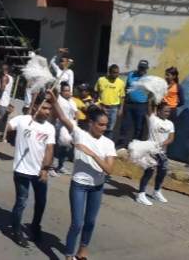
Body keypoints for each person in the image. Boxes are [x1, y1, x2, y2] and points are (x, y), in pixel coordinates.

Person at [50, 92, 116, 260]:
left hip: (97, 187)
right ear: (91, 123)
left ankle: (82, 253)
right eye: (100, 125)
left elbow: (109, 170)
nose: (104, 128)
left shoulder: (109, 144)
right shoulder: (80, 134)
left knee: (90, 223)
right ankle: (69, 256)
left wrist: (92, 154)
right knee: (77, 223)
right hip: (79, 184)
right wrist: (53, 99)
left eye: (105, 125)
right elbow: (64, 118)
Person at [2, 95, 56, 247]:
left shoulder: (49, 128)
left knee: (41, 202)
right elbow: (3, 128)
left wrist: (45, 169)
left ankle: (35, 225)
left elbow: (50, 149)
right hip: (22, 170)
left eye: (49, 109)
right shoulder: (22, 120)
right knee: (21, 202)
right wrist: (6, 114)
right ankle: (16, 231)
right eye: (44, 108)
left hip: (39, 171)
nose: (47, 112)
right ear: (36, 107)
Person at [137, 100, 176, 205]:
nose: (167, 113)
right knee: (149, 172)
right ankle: (141, 194)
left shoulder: (170, 124)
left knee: (162, 172)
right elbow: (149, 107)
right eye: (165, 111)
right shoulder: (153, 119)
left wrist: (162, 144)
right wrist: (151, 99)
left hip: (162, 152)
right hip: (151, 151)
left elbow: (171, 138)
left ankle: (157, 191)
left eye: (168, 112)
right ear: (158, 111)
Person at [117, 60, 150, 149]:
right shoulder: (131, 75)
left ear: (147, 69)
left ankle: (135, 147)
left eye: (143, 68)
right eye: (140, 67)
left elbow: (151, 94)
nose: (141, 70)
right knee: (125, 125)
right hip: (129, 104)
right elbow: (126, 90)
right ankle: (120, 145)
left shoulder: (149, 79)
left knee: (139, 127)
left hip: (141, 106)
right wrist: (123, 106)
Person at [51, 82, 78, 177]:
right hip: (58, 126)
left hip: (69, 127)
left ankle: (60, 166)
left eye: (68, 90)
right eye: (65, 91)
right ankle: (50, 167)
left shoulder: (72, 101)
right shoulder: (59, 99)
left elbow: (76, 113)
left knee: (65, 147)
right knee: (53, 147)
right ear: (61, 92)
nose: (67, 92)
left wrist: (75, 124)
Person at [93, 64, 125, 139]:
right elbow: (95, 92)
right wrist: (97, 104)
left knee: (110, 129)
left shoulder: (121, 82)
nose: (116, 75)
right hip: (102, 107)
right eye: (114, 73)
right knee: (99, 127)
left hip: (113, 109)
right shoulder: (101, 80)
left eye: (117, 73)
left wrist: (121, 109)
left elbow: (122, 96)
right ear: (109, 72)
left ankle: (107, 146)